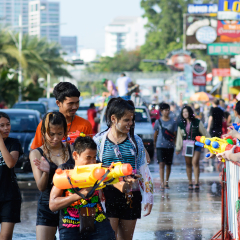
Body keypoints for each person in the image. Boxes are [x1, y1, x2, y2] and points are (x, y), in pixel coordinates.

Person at [94, 97, 153, 240]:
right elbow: (93, 170)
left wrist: (149, 197)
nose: (131, 123)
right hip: (107, 195)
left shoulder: (136, 141)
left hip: (131, 196)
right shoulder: (99, 141)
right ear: (114, 118)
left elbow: (143, 170)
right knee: (108, 237)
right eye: (127, 120)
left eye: (132, 120)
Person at [49, 136, 116, 240]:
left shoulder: (99, 168)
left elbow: (117, 181)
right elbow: (53, 204)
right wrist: (80, 194)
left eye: (94, 157)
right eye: (88, 158)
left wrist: (127, 181)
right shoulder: (65, 170)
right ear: (75, 155)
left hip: (99, 220)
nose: (92, 162)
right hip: (69, 225)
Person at [29, 112, 75, 240]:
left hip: (70, 204)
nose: (55, 138)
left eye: (60, 134)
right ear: (43, 132)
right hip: (46, 205)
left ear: (65, 131)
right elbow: (41, 187)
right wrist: (46, 172)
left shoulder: (72, 150)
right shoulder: (36, 154)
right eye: (51, 134)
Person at [30, 82, 92, 150]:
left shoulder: (85, 125)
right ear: (58, 103)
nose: (75, 107)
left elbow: (90, 152)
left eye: (77, 103)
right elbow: (35, 151)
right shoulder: (45, 125)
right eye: (70, 103)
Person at [176, 106, 210, 190]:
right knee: (188, 164)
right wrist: (178, 148)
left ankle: (197, 182)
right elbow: (179, 137)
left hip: (197, 145)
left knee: (195, 162)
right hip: (186, 145)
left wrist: (210, 142)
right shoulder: (181, 124)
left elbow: (204, 132)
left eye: (186, 112)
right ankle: (190, 182)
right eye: (183, 112)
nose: (185, 114)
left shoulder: (197, 122)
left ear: (190, 112)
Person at [0, 112, 22, 240]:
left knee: (6, 237)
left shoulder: (14, 143)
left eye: (8, 125)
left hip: (10, 196)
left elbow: (10, 163)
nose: (6, 128)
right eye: (1, 125)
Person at [153, 103, 177, 190]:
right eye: (165, 110)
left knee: (168, 164)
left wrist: (176, 145)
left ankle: (166, 182)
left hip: (170, 146)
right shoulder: (158, 122)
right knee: (161, 164)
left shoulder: (173, 122)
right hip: (160, 145)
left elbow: (175, 135)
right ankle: (162, 183)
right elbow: (155, 134)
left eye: (168, 110)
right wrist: (155, 144)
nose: (167, 112)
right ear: (161, 111)